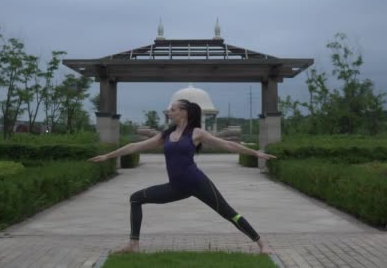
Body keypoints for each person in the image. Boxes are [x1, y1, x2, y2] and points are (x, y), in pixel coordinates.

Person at [87, 99, 276, 254]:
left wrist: (255, 153)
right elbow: (135, 147)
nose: (170, 111)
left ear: (184, 112)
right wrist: (108, 156)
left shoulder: (196, 132)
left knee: (228, 212)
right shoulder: (166, 135)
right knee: (136, 199)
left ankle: (262, 243)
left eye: (173, 109)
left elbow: (228, 145)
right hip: (176, 187)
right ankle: (133, 245)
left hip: (197, 182)